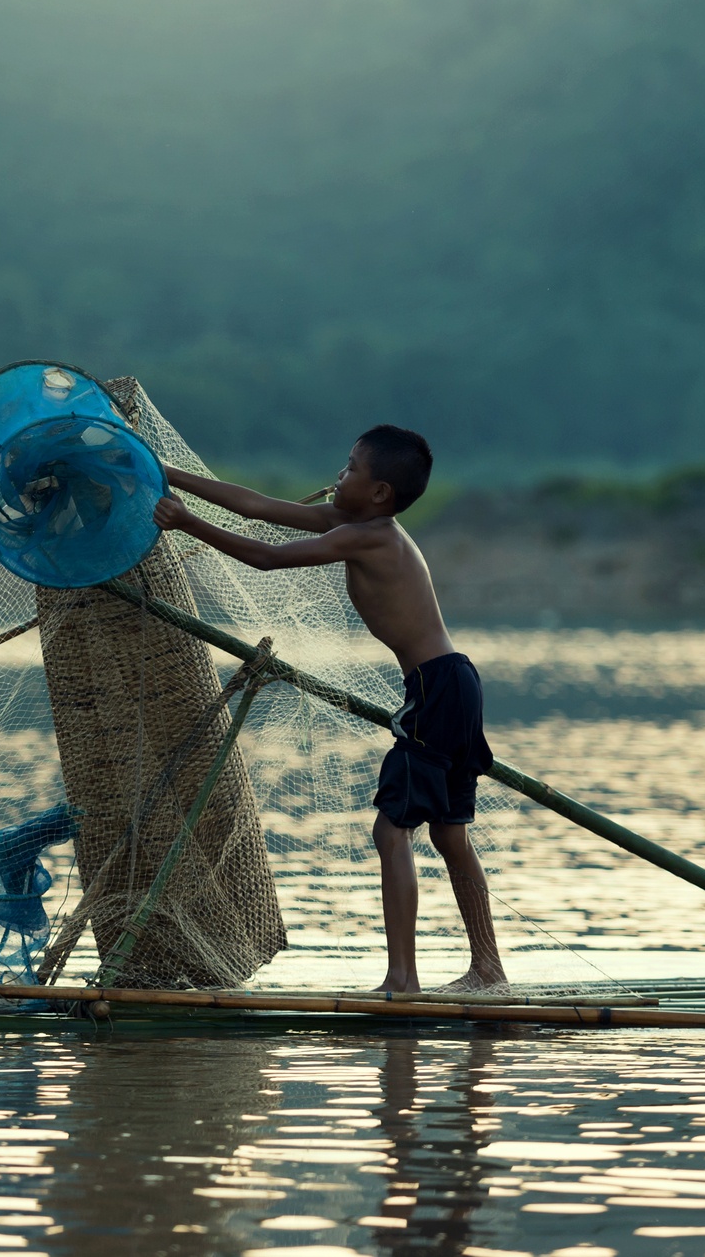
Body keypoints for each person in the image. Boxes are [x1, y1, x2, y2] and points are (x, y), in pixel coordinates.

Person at [153, 425, 505, 994]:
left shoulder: (373, 538)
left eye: (349, 468)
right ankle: (487, 969)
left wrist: (186, 522)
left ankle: (403, 980)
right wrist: (169, 476)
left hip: (438, 687)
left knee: (393, 832)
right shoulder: (356, 525)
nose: (338, 476)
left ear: (380, 492)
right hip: (451, 684)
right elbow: (259, 508)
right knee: (448, 835)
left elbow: (267, 559)